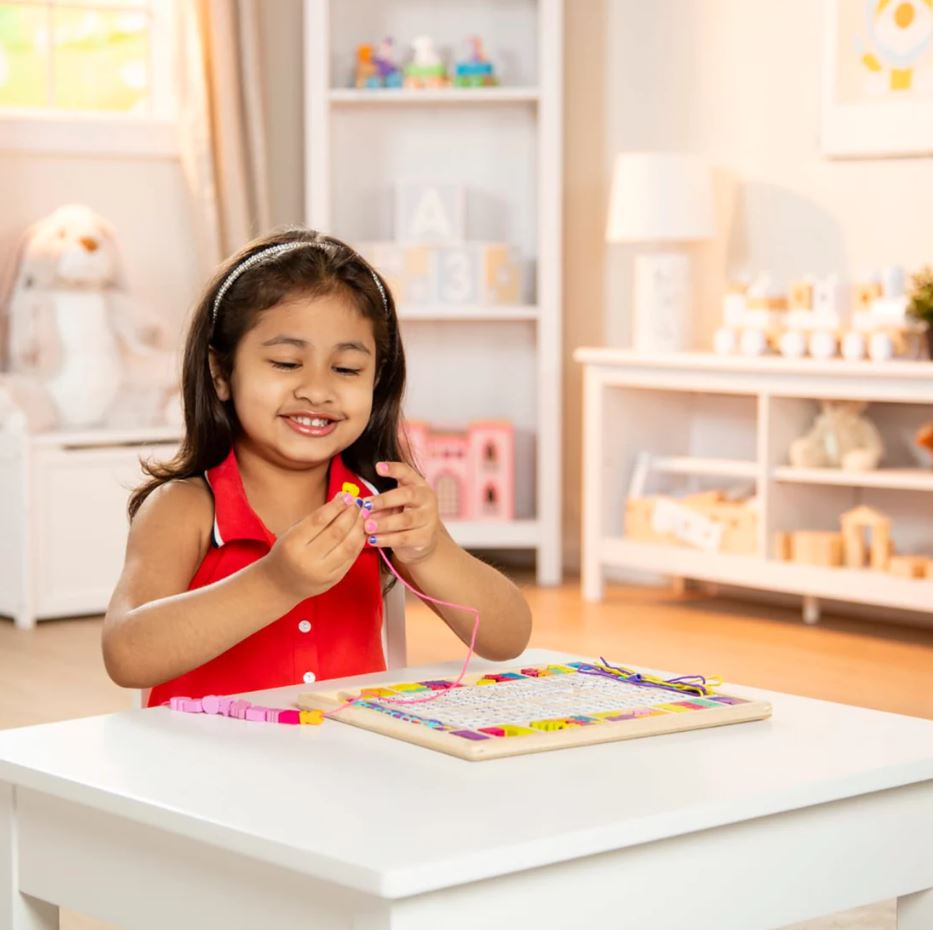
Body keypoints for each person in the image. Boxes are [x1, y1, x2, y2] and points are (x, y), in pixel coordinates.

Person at [102, 229, 532, 707]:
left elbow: (507, 638)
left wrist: (431, 551)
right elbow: (126, 654)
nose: (317, 390)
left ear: (377, 381)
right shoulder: (186, 508)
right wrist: (275, 582)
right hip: (204, 774)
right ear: (221, 372)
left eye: (346, 370)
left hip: (345, 768)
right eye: (286, 363)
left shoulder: (378, 504)